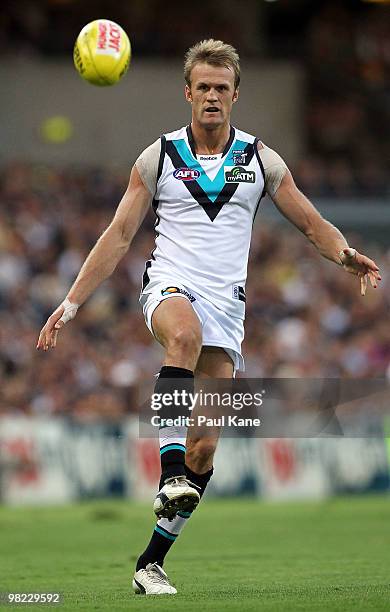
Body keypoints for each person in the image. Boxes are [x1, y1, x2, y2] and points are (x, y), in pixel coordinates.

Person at [37, 39, 381, 595]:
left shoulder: (262, 160)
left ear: (236, 94)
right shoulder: (158, 157)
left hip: (229, 308)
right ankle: (168, 473)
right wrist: (72, 302)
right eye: (204, 87)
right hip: (170, 287)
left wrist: (343, 254)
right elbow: (120, 234)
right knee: (184, 339)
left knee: (206, 449)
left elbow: (312, 223)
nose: (213, 96)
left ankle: (150, 563)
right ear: (188, 93)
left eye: (223, 88)